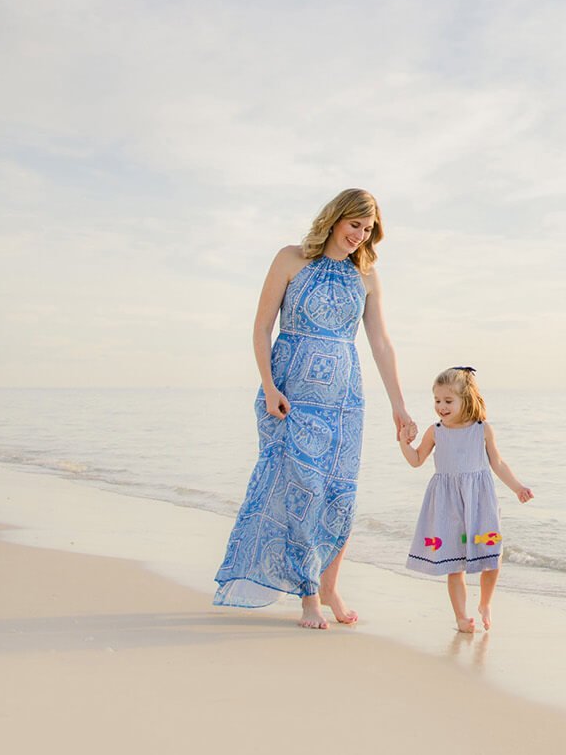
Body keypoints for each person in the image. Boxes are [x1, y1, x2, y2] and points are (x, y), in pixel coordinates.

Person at [213, 188, 418, 629]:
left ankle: (329, 585)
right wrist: (268, 386)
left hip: (344, 401)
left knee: (339, 496)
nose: (360, 237)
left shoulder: (366, 276)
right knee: (300, 489)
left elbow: (380, 342)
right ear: (335, 219)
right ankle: (309, 597)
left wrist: (399, 407)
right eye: (354, 226)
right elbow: (262, 327)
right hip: (289, 395)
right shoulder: (291, 259)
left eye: (368, 230)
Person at [399, 366, 533, 632]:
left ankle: (485, 603)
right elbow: (416, 460)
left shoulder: (482, 429)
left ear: (466, 399)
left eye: (448, 401)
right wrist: (404, 442)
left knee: (492, 554)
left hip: (480, 502)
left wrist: (517, 487)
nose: (441, 406)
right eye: (437, 400)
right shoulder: (435, 431)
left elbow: (498, 463)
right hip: (448, 505)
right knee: (454, 563)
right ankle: (461, 617)